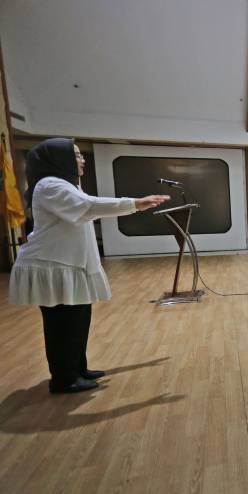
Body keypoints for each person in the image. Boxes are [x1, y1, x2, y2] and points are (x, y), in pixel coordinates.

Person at [8, 138, 169, 394]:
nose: (82, 159)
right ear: (58, 159)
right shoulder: (50, 186)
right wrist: (134, 203)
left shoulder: (67, 185)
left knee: (77, 321)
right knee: (62, 325)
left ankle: (77, 369)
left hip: (68, 266)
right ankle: (64, 378)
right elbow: (87, 207)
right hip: (52, 266)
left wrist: (132, 205)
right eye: (75, 155)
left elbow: (88, 205)